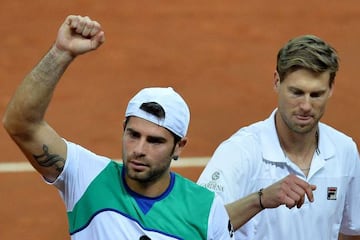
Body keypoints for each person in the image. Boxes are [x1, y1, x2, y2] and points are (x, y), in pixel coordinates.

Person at [2, 15, 235, 240]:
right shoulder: (87, 177)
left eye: (154, 141)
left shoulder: (206, 210)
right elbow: (21, 124)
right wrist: (61, 53)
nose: (139, 149)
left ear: (179, 147)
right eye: (133, 134)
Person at [197, 35, 360, 240]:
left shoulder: (344, 150)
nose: (306, 106)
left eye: (316, 95)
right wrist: (260, 200)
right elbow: (200, 225)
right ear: (277, 81)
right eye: (297, 92)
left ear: (331, 89)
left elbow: (352, 229)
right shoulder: (240, 152)